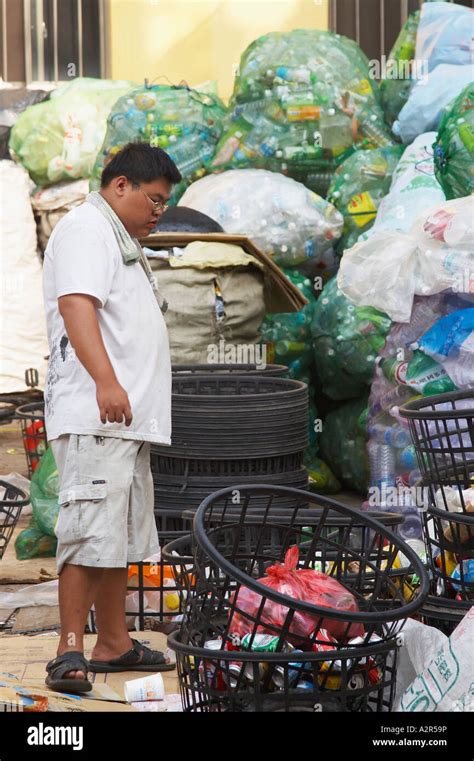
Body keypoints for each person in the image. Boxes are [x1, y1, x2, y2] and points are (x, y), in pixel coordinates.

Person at [42, 142, 182, 694]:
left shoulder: (117, 235)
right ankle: (68, 651)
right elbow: (77, 305)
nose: (158, 212)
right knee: (86, 532)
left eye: (165, 204)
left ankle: (114, 644)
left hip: (123, 420)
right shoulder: (86, 230)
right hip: (96, 413)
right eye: (153, 199)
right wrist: (105, 380)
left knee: (115, 539)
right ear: (119, 184)